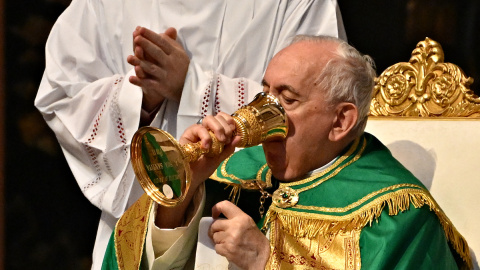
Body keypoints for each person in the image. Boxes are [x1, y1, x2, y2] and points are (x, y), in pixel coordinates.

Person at [102, 35, 472, 269]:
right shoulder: (234, 169)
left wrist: (267, 262)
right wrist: (183, 194)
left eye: (287, 99)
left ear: (340, 122)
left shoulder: (396, 217)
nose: (264, 114)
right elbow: (139, 259)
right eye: (265, 93)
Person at [34, 0, 346, 268]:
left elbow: (323, 99)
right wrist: (141, 99)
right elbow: (62, 93)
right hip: (147, 235)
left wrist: (194, 88)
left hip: (263, 229)